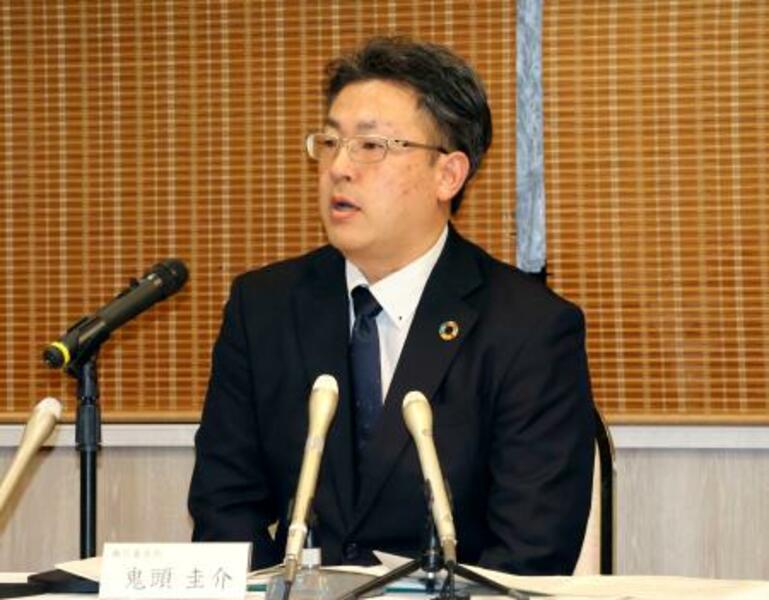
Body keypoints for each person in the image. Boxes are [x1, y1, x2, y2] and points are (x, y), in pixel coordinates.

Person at [188, 36, 595, 576]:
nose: (339, 167)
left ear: (448, 174)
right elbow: (224, 509)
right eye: (330, 142)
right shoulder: (263, 308)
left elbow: (532, 551)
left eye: (371, 146)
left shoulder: (529, 328)